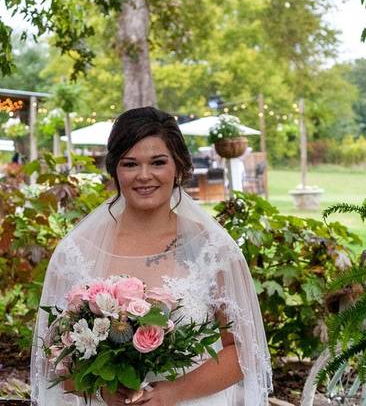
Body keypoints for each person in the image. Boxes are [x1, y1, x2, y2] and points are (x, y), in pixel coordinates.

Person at [31, 107, 271, 405]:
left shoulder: (212, 249)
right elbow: (51, 357)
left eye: (158, 162)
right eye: (130, 164)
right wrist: (101, 388)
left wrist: (173, 392)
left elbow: (245, 351)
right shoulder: (78, 251)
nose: (144, 176)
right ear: (115, 170)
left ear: (179, 166)